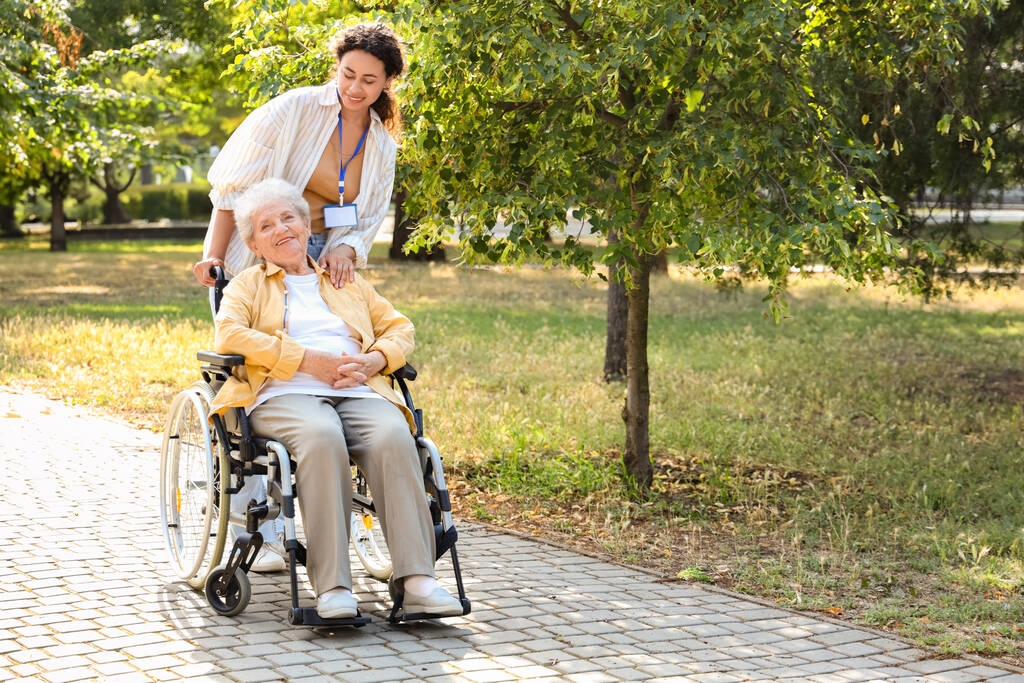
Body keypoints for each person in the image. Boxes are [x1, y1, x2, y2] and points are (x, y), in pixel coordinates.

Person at [193, 22, 406, 570]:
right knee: (252, 370)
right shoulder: (293, 110)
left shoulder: (381, 145)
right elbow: (234, 187)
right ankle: (251, 520)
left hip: (323, 263)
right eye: (347, 74)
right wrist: (216, 257)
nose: (354, 88)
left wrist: (348, 249)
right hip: (260, 241)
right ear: (336, 69)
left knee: (327, 346)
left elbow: (368, 215)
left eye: (368, 81)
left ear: (386, 84)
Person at [208, 178, 463, 619]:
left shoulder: (346, 282)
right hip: (283, 393)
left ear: (308, 228)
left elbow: (400, 328)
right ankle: (333, 589)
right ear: (254, 244)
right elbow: (229, 333)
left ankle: (418, 580)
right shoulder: (248, 286)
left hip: (357, 389)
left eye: (289, 218)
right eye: (267, 226)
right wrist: (306, 360)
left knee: (392, 435)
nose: (282, 229)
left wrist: (374, 360)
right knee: (323, 437)